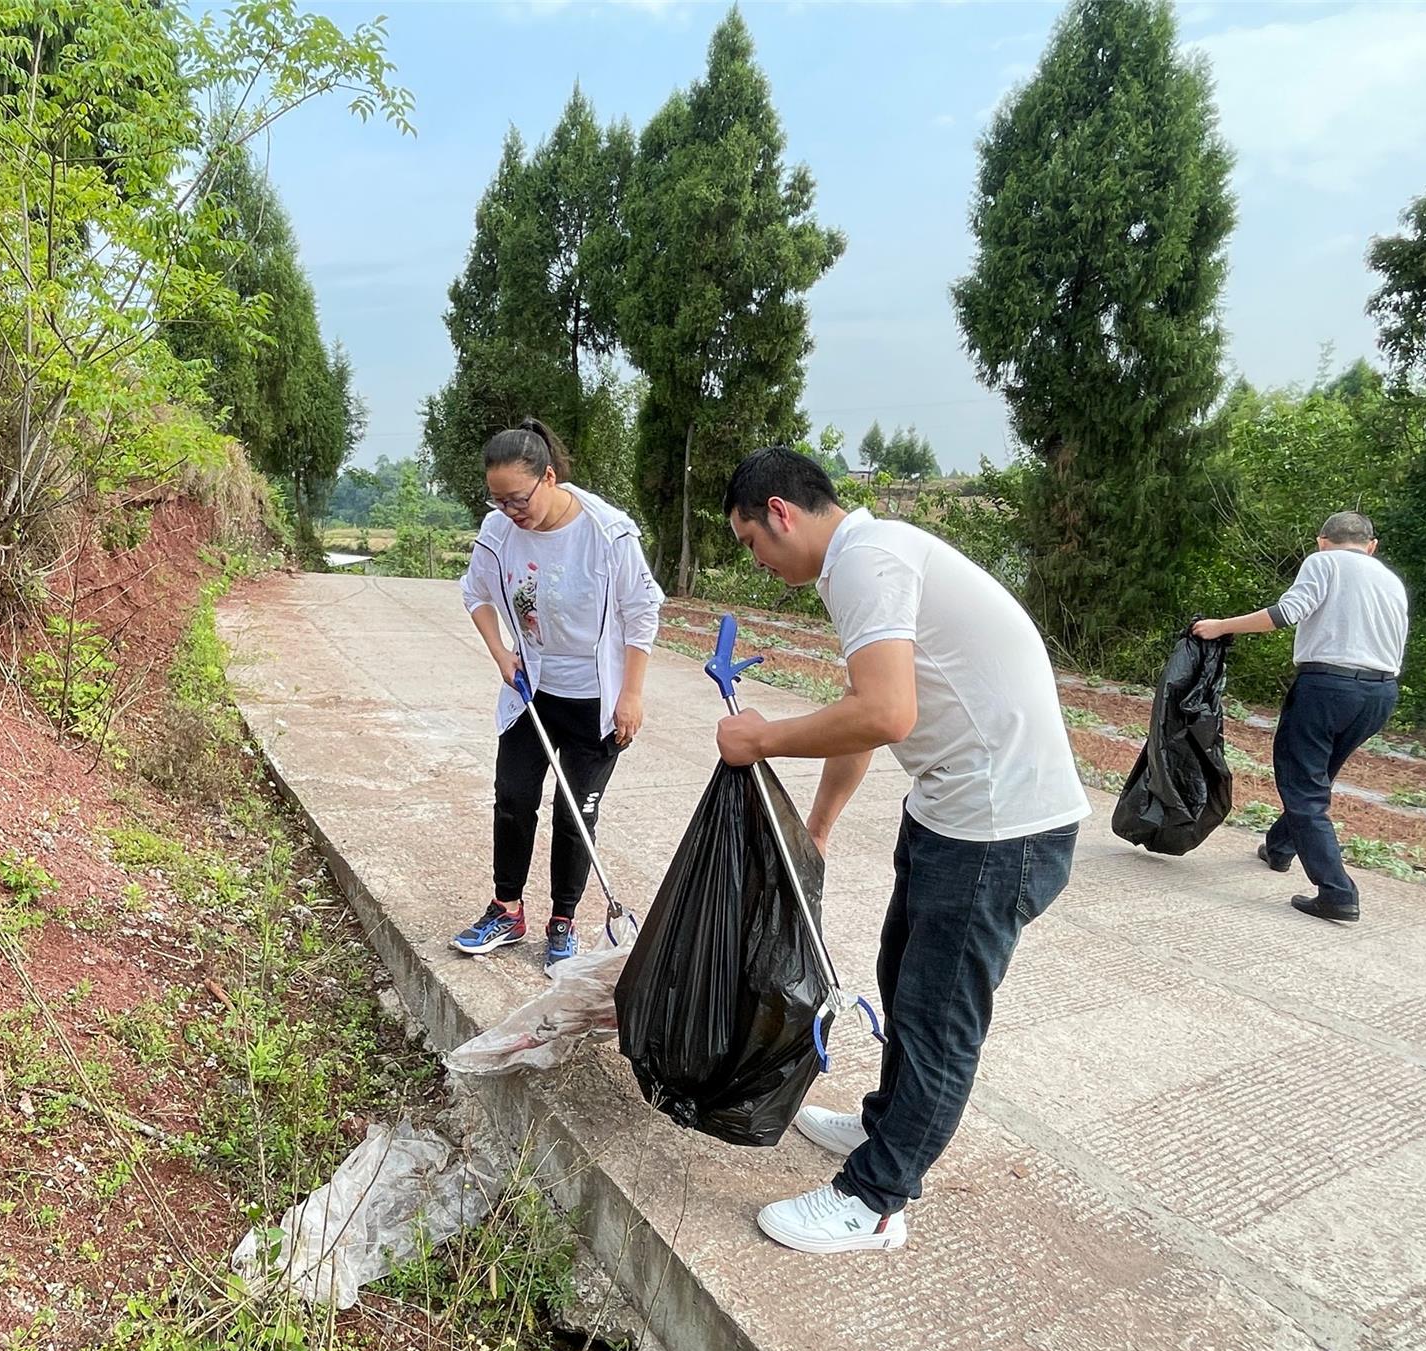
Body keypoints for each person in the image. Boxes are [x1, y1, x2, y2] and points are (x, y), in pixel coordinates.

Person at [713, 447, 1089, 1255]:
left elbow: (885, 712)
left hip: (1000, 826)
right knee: (902, 976)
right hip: (953, 809)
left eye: (751, 542)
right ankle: (886, 1125)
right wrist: (819, 827)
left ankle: (878, 1199)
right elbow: (870, 709)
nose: (758, 561)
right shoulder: (867, 560)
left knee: (938, 1018)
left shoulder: (868, 563)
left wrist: (764, 739)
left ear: (780, 512)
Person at [453, 419, 663, 967]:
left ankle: (563, 921)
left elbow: (641, 613)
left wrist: (632, 695)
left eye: (517, 499)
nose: (509, 512)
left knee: (575, 814)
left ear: (549, 477)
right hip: (531, 689)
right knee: (514, 799)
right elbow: (474, 593)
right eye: (497, 501)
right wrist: (502, 653)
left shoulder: (607, 531)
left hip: (596, 698)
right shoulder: (497, 532)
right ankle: (507, 910)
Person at [1192, 511, 1408, 923]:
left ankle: (1337, 892)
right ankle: (1279, 848)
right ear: (1372, 545)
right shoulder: (1390, 580)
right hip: (1380, 692)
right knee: (1318, 777)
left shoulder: (1323, 562)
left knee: (1302, 786)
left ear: (1322, 541)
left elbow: (1286, 613)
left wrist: (1221, 627)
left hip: (1327, 686)